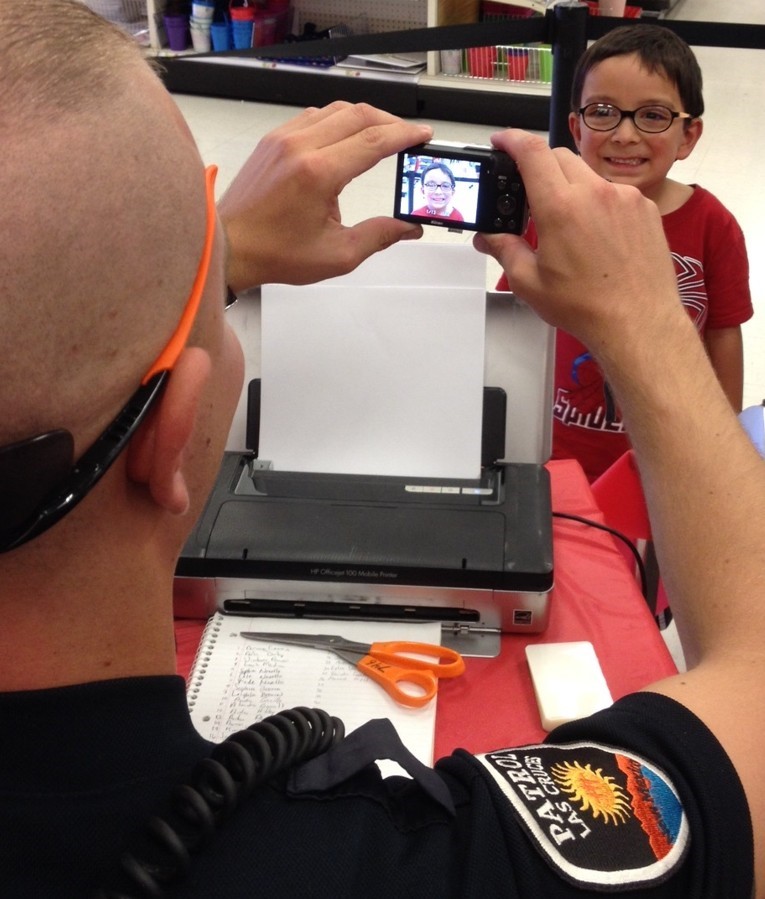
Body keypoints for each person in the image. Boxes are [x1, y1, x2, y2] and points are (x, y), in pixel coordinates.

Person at [1, 3, 761, 897]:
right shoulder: (410, 865)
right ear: (173, 435)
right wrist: (642, 323)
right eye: (216, 307)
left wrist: (224, 255)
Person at [496, 25, 753, 481]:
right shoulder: (553, 213)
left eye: (653, 116)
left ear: (689, 135)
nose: (625, 134)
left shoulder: (713, 225)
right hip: (551, 445)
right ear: (576, 128)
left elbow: (723, 333)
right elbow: (510, 315)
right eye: (602, 112)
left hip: (666, 447)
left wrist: (723, 439)